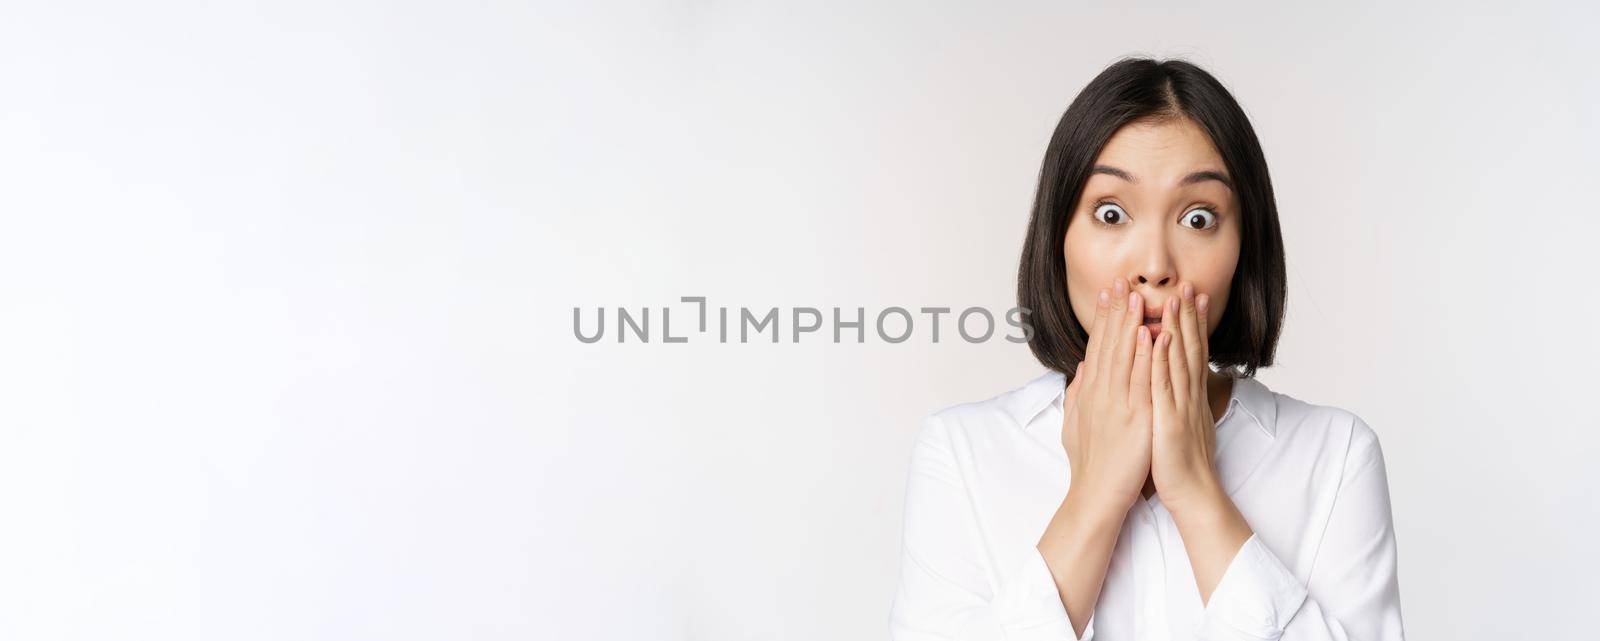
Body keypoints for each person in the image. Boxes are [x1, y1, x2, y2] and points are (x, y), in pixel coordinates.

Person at [888, 58, 1404, 640]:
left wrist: (1195, 488)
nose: (1155, 267)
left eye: (1199, 217)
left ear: (1244, 248)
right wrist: (1097, 493)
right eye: (1111, 214)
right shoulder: (962, 453)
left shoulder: (1335, 457)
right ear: (1058, 237)